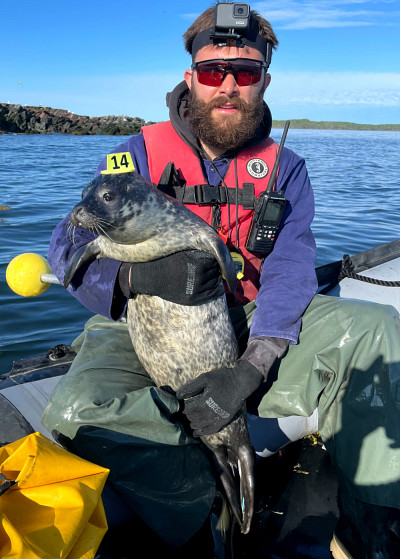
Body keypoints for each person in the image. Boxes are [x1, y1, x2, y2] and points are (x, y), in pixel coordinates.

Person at [42, 3, 400, 558]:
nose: (228, 86)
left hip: (248, 315)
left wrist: (252, 365)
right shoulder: (133, 155)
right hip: (140, 323)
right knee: (72, 413)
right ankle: (204, 505)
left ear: (265, 81)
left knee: (378, 330)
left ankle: (371, 528)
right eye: (213, 72)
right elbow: (66, 244)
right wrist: (136, 279)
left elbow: (289, 267)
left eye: (246, 73)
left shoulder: (287, 168)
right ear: (191, 78)